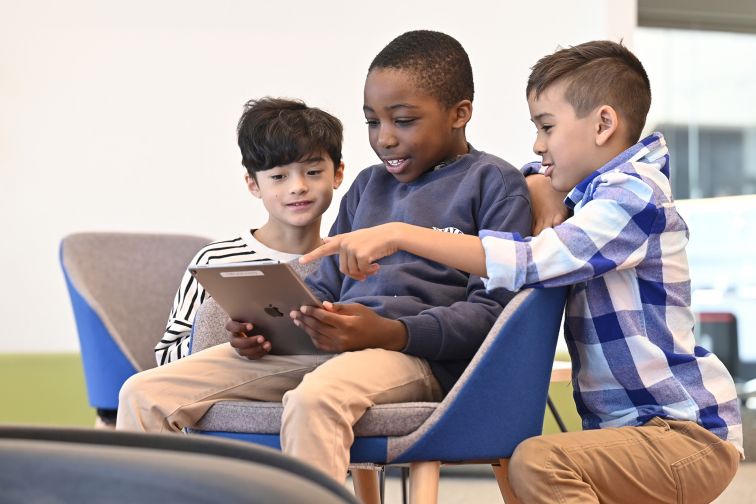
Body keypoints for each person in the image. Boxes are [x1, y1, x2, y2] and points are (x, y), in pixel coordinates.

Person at [301, 40, 743, 502]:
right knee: (537, 466)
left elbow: (530, 262)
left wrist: (401, 233)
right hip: (626, 431)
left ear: (603, 124)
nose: (537, 144)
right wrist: (538, 179)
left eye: (546, 127)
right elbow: (530, 175)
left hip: (685, 434)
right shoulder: (590, 196)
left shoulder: (635, 201)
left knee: (539, 463)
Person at [116, 29, 532, 484]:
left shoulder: (494, 184)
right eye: (373, 122)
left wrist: (391, 331)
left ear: (460, 114)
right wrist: (267, 328)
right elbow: (323, 283)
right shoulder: (367, 187)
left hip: (417, 358)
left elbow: (493, 315)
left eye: (404, 120)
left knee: (315, 399)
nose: (385, 139)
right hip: (331, 346)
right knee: (144, 391)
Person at [153, 97, 345, 365]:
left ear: (337, 174)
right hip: (233, 392)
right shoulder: (216, 260)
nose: (298, 186)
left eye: (313, 171)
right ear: (253, 184)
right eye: (278, 177)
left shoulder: (345, 260)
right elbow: (166, 356)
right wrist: (228, 337)